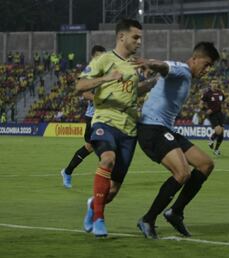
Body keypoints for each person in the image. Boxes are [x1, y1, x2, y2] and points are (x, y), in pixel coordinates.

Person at [75, 18, 156, 238]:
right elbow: (79, 85)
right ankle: (100, 220)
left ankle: (94, 205)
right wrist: (106, 77)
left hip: (129, 130)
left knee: (111, 191)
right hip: (105, 121)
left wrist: (149, 84)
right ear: (122, 37)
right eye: (135, 37)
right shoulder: (104, 60)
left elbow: (131, 92)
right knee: (107, 158)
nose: (139, 42)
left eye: (140, 38)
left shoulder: (133, 65)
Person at [136, 42, 220, 239]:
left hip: (166, 129)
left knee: (206, 164)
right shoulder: (182, 70)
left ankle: (175, 212)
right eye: (206, 65)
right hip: (152, 129)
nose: (207, 70)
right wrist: (149, 63)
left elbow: (158, 79)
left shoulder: (187, 76)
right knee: (182, 173)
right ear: (195, 59)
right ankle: (148, 219)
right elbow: (164, 66)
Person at [60, 45, 106, 189]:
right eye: (98, 56)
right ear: (93, 57)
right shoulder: (90, 73)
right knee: (102, 149)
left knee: (91, 147)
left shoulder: (106, 72)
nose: (101, 59)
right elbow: (85, 93)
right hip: (93, 117)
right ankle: (105, 182)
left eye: (103, 56)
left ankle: (67, 171)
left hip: (106, 116)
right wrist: (101, 100)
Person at [201, 78, 225, 156]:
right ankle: (211, 139)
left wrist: (224, 108)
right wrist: (206, 110)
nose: (215, 84)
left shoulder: (221, 92)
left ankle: (216, 149)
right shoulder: (207, 93)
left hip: (220, 114)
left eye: (216, 83)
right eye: (213, 83)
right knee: (218, 131)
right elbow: (201, 104)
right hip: (212, 114)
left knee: (221, 134)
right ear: (210, 84)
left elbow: (223, 102)